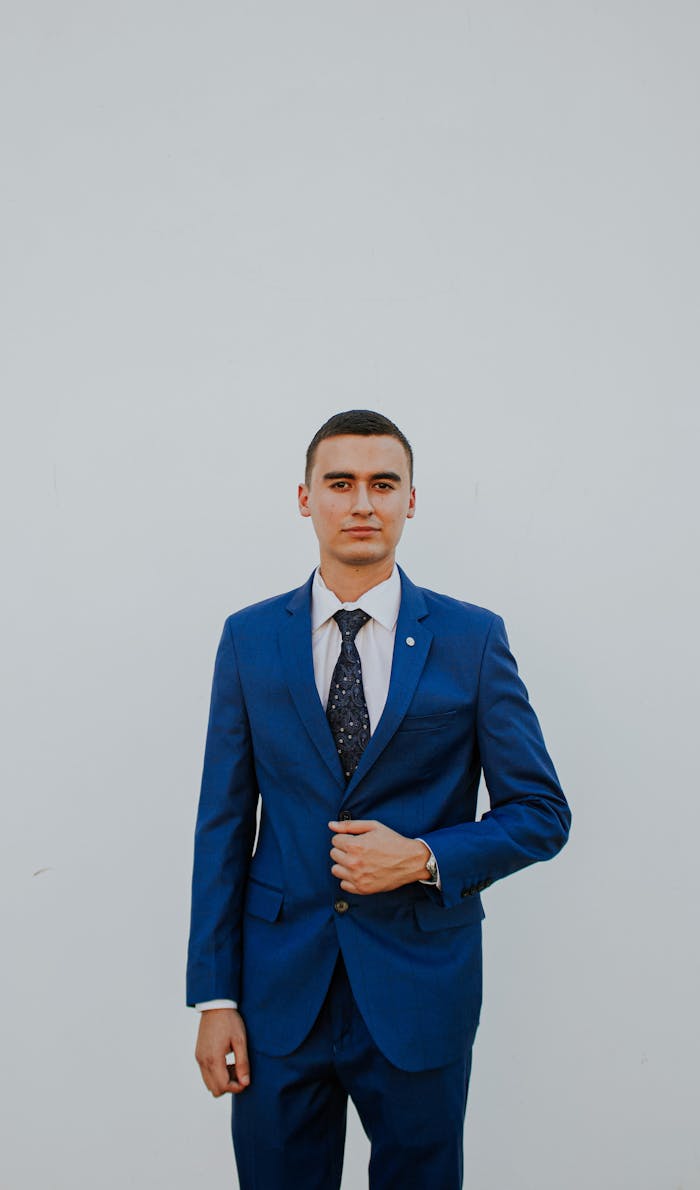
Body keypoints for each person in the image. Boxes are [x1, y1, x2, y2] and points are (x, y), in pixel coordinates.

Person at [186, 409, 570, 1189]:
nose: (362, 502)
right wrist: (215, 995)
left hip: (421, 988)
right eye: (342, 483)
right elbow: (223, 825)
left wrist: (424, 857)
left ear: (410, 501)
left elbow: (541, 813)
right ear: (306, 498)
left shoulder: (473, 638)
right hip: (277, 996)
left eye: (382, 484)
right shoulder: (249, 638)